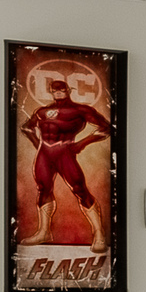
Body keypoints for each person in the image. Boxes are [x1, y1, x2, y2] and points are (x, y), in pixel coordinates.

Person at [21, 72, 112, 249]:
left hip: (65, 153)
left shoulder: (80, 110)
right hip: (44, 154)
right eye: (54, 90)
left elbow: (106, 127)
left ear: (68, 90)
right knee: (43, 188)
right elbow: (27, 128)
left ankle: (99, 233)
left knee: (79, 189)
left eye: (61, 89)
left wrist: (81, 144)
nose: (58, 92)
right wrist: (39, 145)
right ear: (51, 92)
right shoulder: (41, 111)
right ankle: (44, 232)